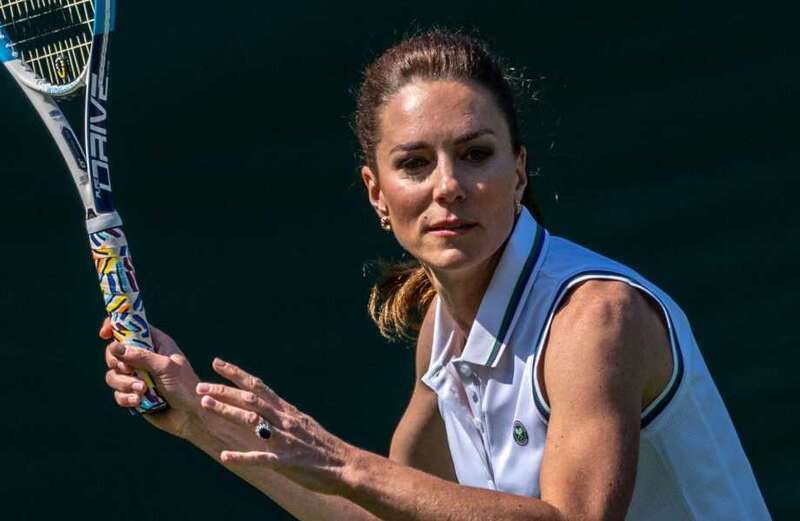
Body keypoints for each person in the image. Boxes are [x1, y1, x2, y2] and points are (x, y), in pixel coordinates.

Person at [100, 30, 770, 520]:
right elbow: (382, 512)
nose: (450, 186)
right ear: (376, 192)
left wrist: (344, 461)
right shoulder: (442, 336)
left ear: (520, 170)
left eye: (476, 153)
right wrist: (196, 418)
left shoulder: (597, 320)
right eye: (416, 164)